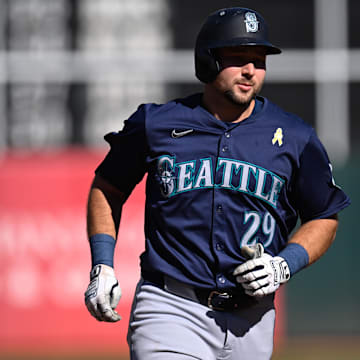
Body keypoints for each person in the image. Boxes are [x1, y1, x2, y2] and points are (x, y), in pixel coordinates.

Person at [84, 7, 351, 360]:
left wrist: (284, 264)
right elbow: (108, 188)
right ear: (207, 61)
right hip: (171, 306)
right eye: (238, 57)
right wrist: (102, 264)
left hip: (253, 318)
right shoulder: (156, 124)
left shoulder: (294, 137)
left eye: (259, 59)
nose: (250, 70)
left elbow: (324, 216)